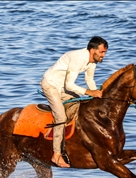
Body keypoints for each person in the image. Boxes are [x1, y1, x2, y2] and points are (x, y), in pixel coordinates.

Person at [40, 36, 108, 168]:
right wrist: (89, 92)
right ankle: (56, 154)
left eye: (105, 53)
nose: (103, 56)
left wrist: (97, 95)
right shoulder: (78, 58)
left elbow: (89, 80)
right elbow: (70, 85)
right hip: (51, 85)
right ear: (92, 50)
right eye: (102, 52)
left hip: (63, 88)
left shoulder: (93, 61)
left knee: (83, 105)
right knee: (60, 116)